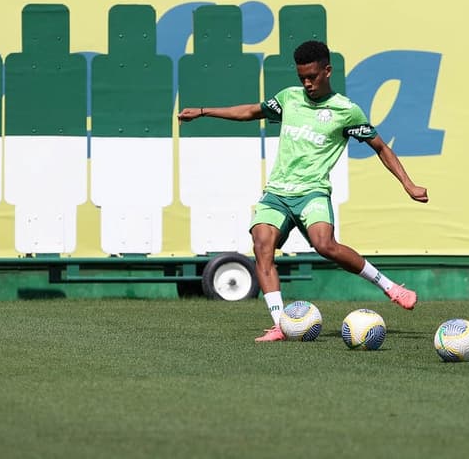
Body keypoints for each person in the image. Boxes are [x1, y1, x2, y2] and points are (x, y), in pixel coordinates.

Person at [178, 40, 429, 342]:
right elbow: (249, 111)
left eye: (312, 76)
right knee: (261, 244)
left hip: (312, 192)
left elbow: (381, 148)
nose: (307, 83)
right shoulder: (289, 99)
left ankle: (390, 287)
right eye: (302, 78)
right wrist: (204, 112)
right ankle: (280, 325)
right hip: (277, 193)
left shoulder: (346, 111)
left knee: (325, 245)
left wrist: (408, 183)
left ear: (328, 71)